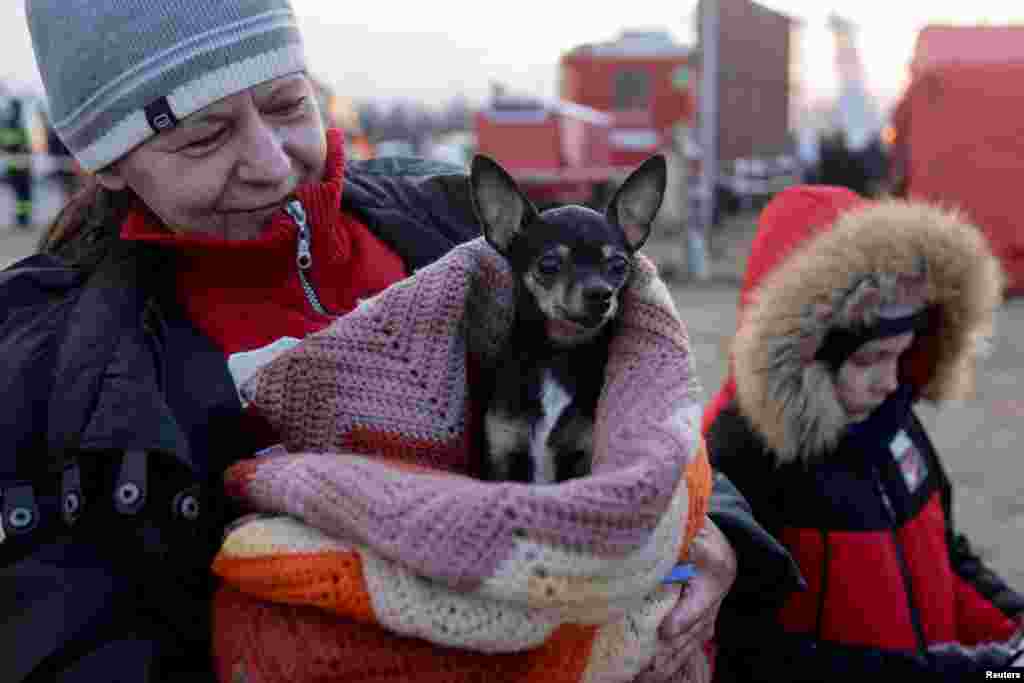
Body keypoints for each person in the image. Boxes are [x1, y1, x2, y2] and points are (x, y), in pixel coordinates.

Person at [6, 1, 800, 680]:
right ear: (102, 159)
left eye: (287, 104)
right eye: (203, 138)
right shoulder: (49, 369)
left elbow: (638, 402)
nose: (270, 162)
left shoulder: (452, 218)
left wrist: (713, 523)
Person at [702, 185, 1024, 681]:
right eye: (869, 359)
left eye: (902, 353)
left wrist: (1012, 636)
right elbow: (747, 650)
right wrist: (961, 673)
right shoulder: (738, 457)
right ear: (804, 353)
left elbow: (946, 556)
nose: (891, 380)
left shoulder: (890, 422)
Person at [1, 96, 34, 227]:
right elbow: (13, 145)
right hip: (18, 167)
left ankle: (23, 219)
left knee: (22, 195)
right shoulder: (13, 125)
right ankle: (22, 219)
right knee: (22, 195)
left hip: (18, 166)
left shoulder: (12, 124)